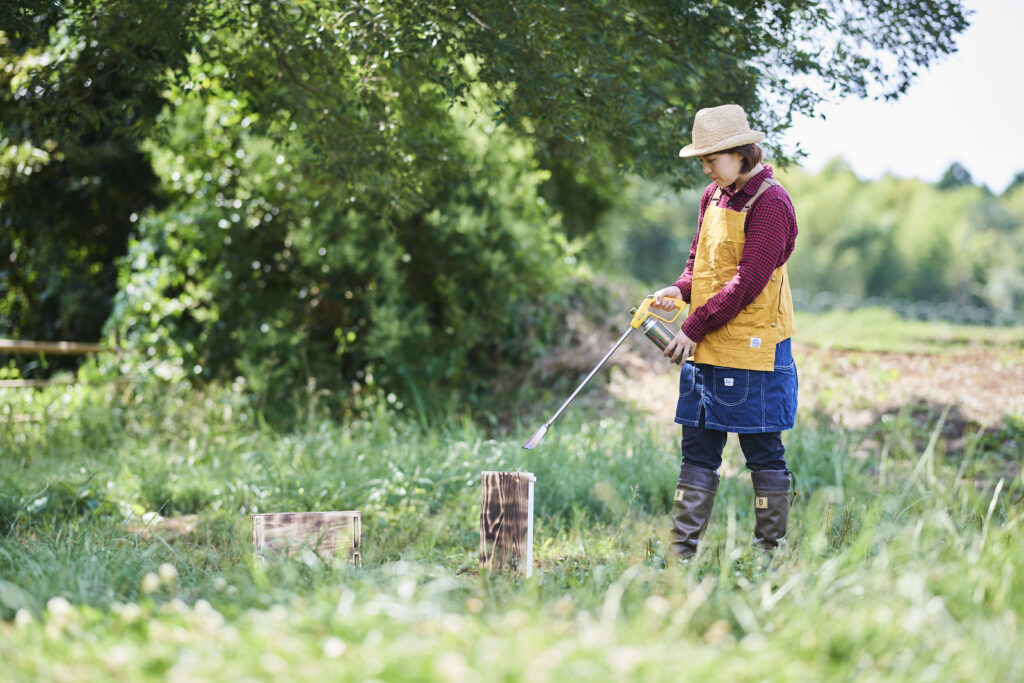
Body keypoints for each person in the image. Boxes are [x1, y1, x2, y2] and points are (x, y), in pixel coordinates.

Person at [651, 103, 798, 560]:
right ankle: (680, 556)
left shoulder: (771, 203)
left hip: (755, 352)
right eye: (703, 160)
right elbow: (701, 263)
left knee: (762, 450)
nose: (706, 167)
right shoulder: (713, 196)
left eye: (711, 158)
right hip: (709, 344)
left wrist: (692, 326)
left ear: (740, 152)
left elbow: (748, 281)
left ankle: (766, 555)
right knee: (697, 451)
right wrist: (677, 291)